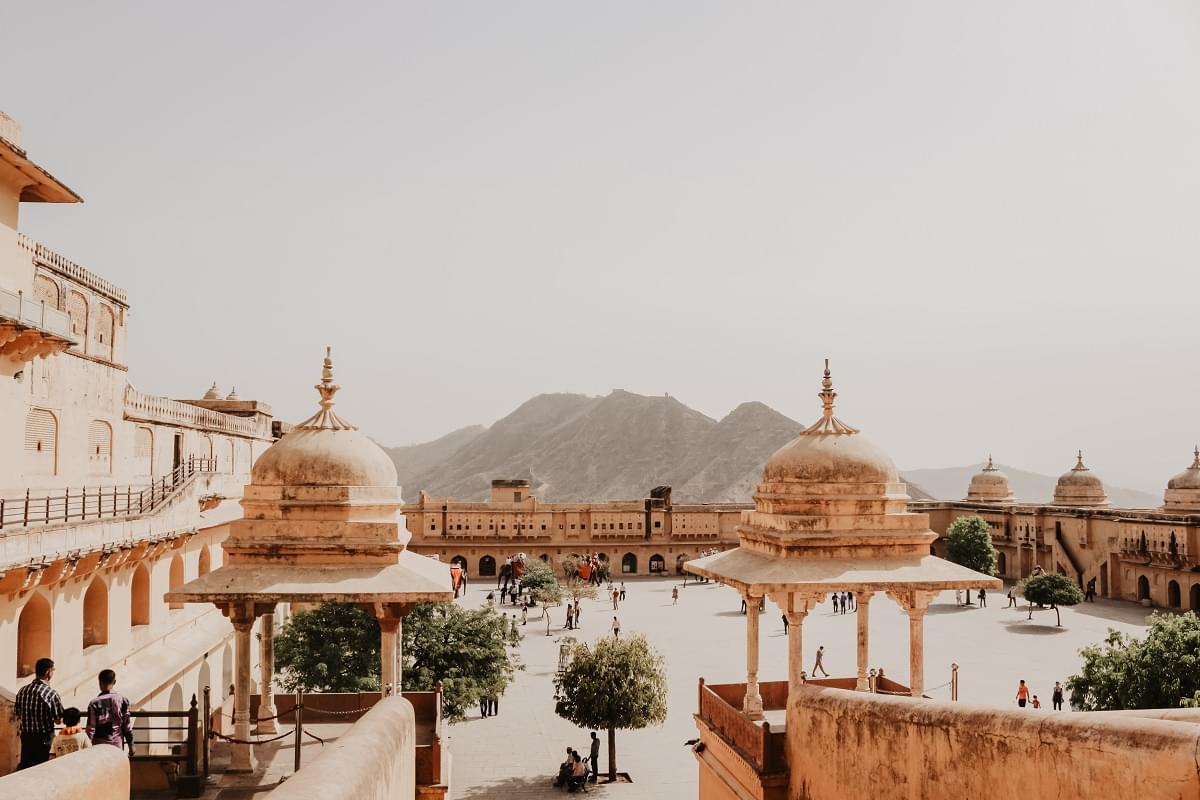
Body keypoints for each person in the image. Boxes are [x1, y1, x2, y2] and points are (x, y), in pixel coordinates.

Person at [14, 657, 63, 770]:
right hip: (44, 738)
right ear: (48, 672)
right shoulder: (50, 693)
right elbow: (58, 719)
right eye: (52, 670)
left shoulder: (22, 691)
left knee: (26, 768)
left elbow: (17, 713)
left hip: (26, 737)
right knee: (43, 769)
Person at [87, 669, 132, 750]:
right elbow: (127, 725)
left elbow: (91, 729)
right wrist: (131, 745)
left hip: (98, 745)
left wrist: (86, 748)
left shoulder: (94, 703)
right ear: (114, 682)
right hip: (117, 744)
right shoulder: (123, 700)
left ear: (100, 682)